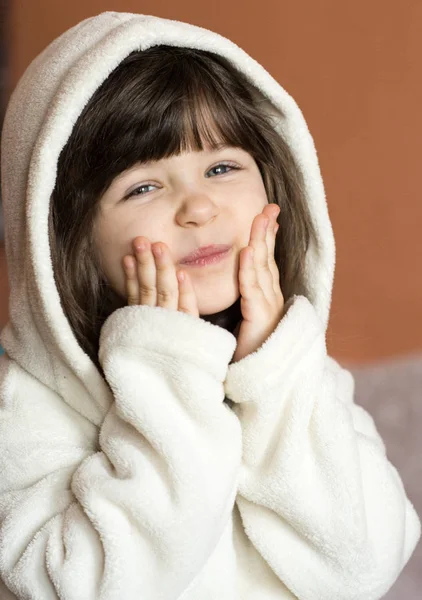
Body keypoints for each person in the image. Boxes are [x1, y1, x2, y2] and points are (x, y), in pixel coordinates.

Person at [0, 11, 419, 600]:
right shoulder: (25, 407)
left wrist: (275, 373)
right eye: (143, 186)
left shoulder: (295, 372)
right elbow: (90, 588)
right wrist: (166, 374)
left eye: (222, 167)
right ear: (66, 241)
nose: (197, 207)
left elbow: (360, 569)